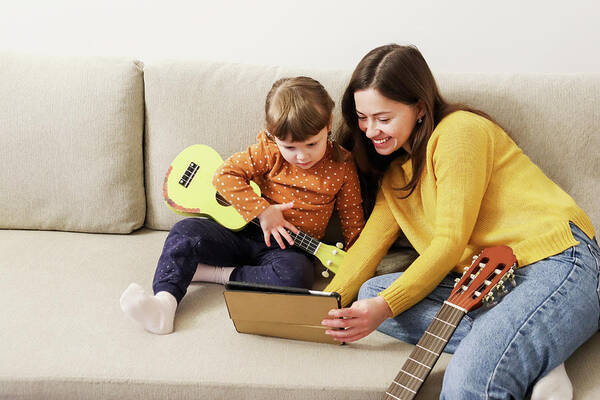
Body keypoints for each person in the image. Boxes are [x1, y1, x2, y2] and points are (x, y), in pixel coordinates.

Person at [320, 44, 599, 400]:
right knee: (370, 293)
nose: (370, 130)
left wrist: (386, 308)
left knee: (467, 380)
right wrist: (322, 305)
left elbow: (450, 242)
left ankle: (539, 331)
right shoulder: (396, 177)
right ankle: (538, 347)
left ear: (419, 108)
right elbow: (367, 250)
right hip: (486, 281)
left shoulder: (458, 133)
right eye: (362, 117)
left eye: (383, 118)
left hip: (554, 258)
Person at [120, 76, 365, 335]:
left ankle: (214, 273)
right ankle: (164, 305)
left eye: (312, 144)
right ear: (273, 136)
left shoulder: (342, 166)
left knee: (297, 277)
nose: (302, 156)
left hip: (289, 249)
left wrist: (357, 261)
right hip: (241, 231)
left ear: (328, 125)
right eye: (290, 147)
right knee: (184, 232)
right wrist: (263, 211)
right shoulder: (268, 151)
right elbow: (224, 175)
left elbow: (352, 217)